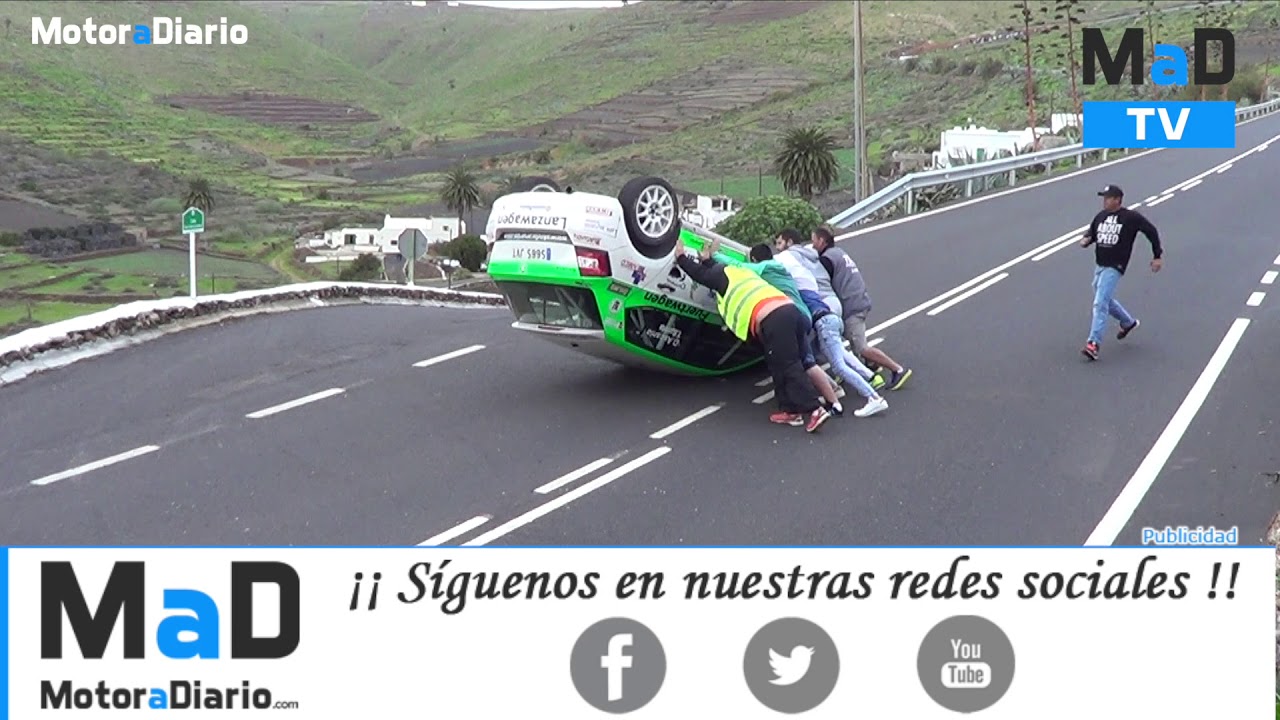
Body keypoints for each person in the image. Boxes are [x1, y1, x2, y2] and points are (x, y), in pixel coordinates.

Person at [674, 237, 832, 432]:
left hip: (775, 319)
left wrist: (681, 258)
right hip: (791, 313)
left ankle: (815, 408)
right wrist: (707, 259)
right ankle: (790, 411)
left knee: (788, 366)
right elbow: (710, 270)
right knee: (777, 364)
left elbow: (702, 275)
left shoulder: (725, 277)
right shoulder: (740, 273)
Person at [755, 236, 889, 418]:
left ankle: (873, 397)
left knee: (835, 365)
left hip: (823, 322)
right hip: (831, 316)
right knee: (820, 358)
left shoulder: (783, 274)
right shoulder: (804, 274)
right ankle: (847, 390)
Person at [810, 225, 913, 390]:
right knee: (845, 336)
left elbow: (822, 284)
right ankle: (871, 364)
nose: (812, 245)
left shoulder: (826, 259)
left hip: (852, 307)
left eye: (813, 240)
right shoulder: (839, 253)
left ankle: (897, 369)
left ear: (822, 241)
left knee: (860, 346)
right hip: (860, 300)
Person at [1078, 184, 1162, 361]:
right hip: (1100, 264)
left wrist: (1157, 256)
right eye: (1104, 197)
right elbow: (1092, 232)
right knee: (1104, 297)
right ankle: (1128, 322)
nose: (1104, 201)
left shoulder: (1130, 217)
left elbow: (1151, 231)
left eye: (1108, 198)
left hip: (1116, 265)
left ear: (1117, 199)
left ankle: (1093, 343)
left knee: (1100, 303)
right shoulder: (1101, 216)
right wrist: (1087, 239)